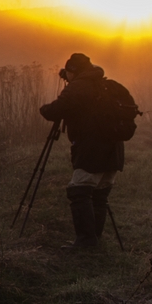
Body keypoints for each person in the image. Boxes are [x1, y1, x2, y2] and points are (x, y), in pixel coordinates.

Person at [38, 53, 125, 249]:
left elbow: (56, 110)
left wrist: (43, 109)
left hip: (92, 148)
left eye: (67, 73)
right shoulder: (102, 84)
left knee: (79, 190)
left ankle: (86, 241)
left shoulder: (80, 86)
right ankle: (94, 238)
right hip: (114, 148)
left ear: (72, 71)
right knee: (99, 194)